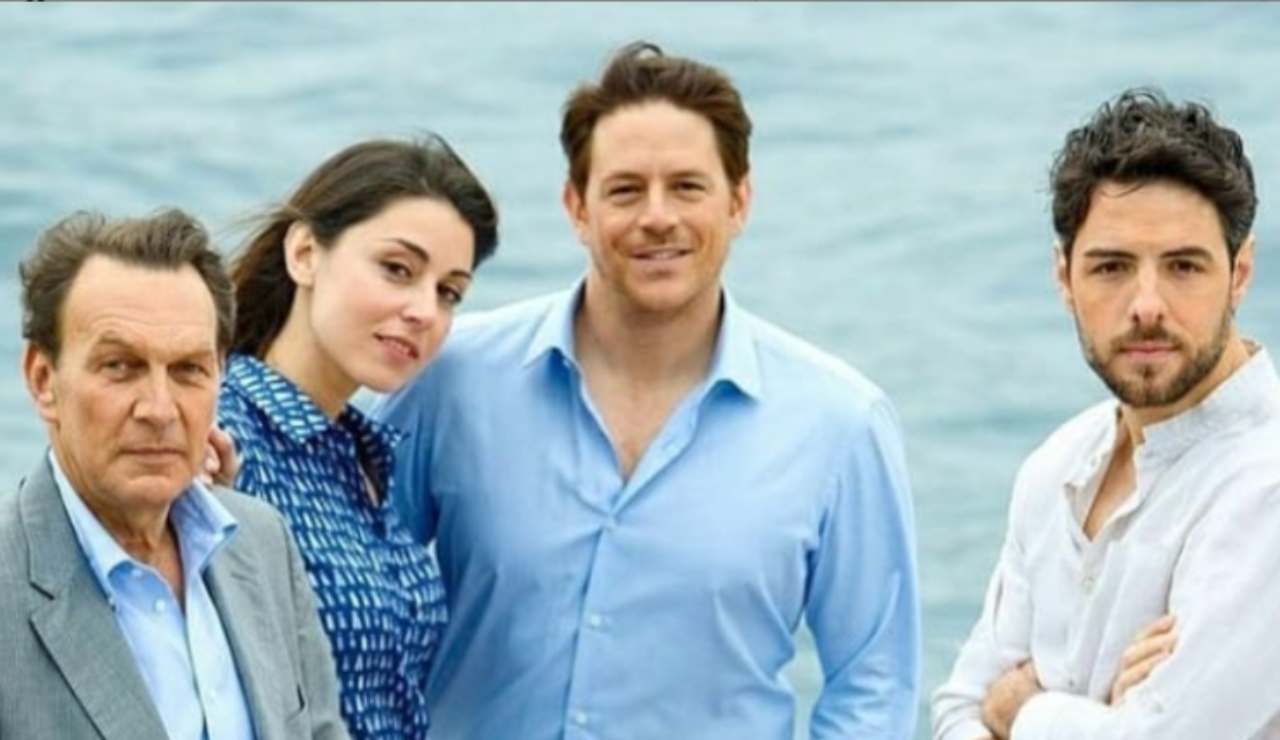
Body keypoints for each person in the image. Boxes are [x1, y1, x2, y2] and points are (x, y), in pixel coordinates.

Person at [374, 42, 920, 739]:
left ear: (739, 202)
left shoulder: (841, 422)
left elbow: (875, 683)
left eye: (688, 187)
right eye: (626, 190)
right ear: (577, 207)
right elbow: (337, 574)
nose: (658, 216)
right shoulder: (451, 379)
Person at [931, 89, 1280, 740]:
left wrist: (1020, 710)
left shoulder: (1265, 486)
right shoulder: (1057, 466)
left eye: (1183, 266)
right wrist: (1100, 716)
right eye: (1112, 267)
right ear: (1065, 277)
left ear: (1239, 273)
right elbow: (955, 713)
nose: (1147, 305)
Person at [1, 209, 347, 740]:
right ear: (44, 379)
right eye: (120, 366)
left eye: (189, 369)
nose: (160, 409)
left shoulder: (262, 541)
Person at [216, 136, 498, 739]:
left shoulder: (365, 457)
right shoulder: (224, 437)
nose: (424, 311)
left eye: (448, 292)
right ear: (304, 254)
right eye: (397, 269)